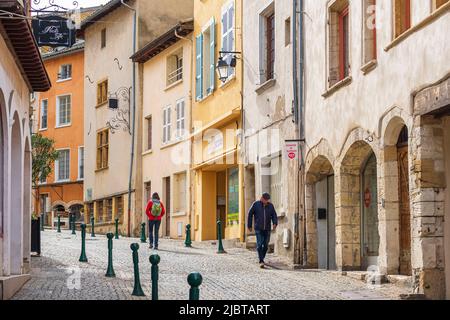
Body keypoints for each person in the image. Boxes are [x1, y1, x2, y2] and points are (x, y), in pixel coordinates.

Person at [247, 193, 278, 268]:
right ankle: (261, 260)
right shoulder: (256, 204)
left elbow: (274, 215)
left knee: (266, 245)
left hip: (267, 228)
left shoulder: (270, 206)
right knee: (259, 244)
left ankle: (262, 258)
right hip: (258, 228)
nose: (266, 201)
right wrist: (249, 225)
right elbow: (250, 214)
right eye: (265, 199)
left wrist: (275, 223)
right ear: (261, 198)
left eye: (267, 200)